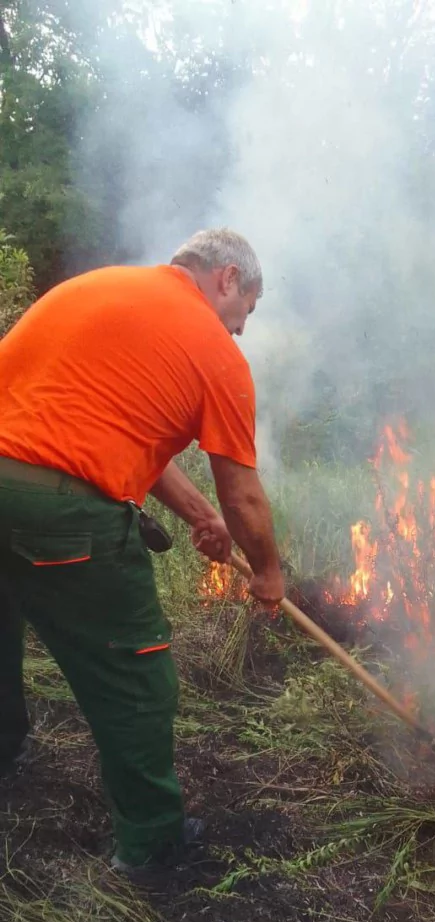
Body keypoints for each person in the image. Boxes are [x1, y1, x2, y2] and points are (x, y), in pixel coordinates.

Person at [0, 227, 285, 873]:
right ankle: (154, 843)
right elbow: (244, 498)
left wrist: (197, 514)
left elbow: (106, 426)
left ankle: (3, 752)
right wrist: (268, 573)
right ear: (229, 279)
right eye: (248, 312)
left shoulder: (97, 288)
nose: (241, 329)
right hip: (58, 511)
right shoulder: (214, 350)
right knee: (136, 675)